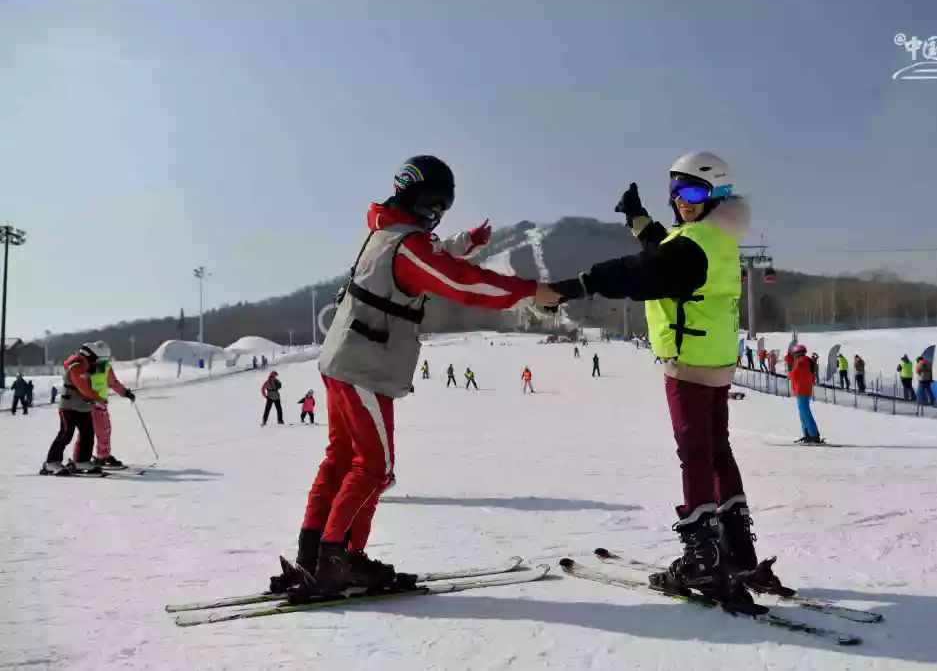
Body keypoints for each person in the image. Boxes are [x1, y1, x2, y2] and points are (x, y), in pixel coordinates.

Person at [273, 155, 555, 597]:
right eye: (439, 209)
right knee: (375, 468)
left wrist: (467, 241)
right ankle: (337, 559)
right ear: (428, 202)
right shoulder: (407, 245)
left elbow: (433, 255)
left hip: (344, 361)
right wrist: (530, 291)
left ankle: (314, 553)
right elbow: (460, 283)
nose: (437, 217)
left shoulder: (386, 231)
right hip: (364, 367)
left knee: (342, 458)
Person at [548, 152, 788, 611]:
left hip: (690, 361)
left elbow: (652, 269)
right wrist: (638, 220)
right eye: (677, 193)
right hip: (714, 358)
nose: (683, 202)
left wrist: (575, 285)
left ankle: (702, 560)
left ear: (716, 196)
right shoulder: (713, 236)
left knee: (694, 453)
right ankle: (737, 549)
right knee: (717, 450)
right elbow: (668, 249)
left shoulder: (697, 242)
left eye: (694, 193)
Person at [41, 342, 108, 475]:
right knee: (66, 434)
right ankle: (51, 463)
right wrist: (98, 399)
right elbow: (84, 389)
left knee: (87, 434)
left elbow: (99, 383)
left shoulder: (90, 368)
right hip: (69, 407)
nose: (98, 362)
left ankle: (81, 461)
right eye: (97, 358)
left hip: (84, 408)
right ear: (90, 355)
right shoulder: (76, 367)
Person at [88, 345, 136, 469]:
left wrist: (125, 392)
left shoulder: (103, 367)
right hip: (91, 404)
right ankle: (96, 457)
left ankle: (102, 455)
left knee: (103, 430)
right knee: (98, 431)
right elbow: (113, 383)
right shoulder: (89, 367)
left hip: (98, 404)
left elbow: (113, 383)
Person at [788, 345, 822, 445]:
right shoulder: (807, 361)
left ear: (797, 353)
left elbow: (795, 373)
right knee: (803, 412)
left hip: (801, 389)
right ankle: (807, 433)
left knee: (805, 412)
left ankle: (813, 435)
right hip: (804, 389)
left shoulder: (800, 361)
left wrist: (789, 374)